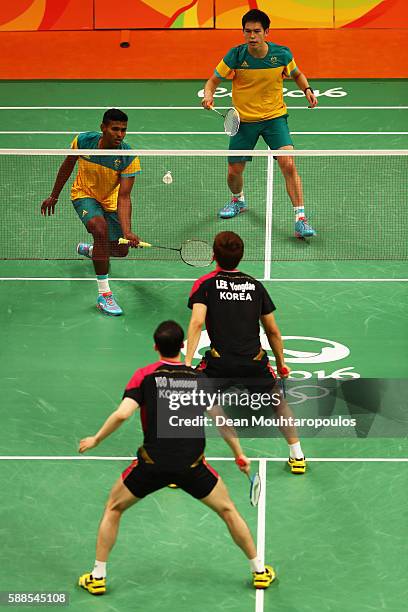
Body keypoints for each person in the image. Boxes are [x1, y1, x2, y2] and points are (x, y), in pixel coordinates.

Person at [77, 320, 276, 596]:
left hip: (151, 465)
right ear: (182, 347)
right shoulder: (200, 379)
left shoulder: (144, 376)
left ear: (156, 347)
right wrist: (239, 455)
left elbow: (123, 414)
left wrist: (96, 439)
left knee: (113, 508)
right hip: (192, 466)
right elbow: (222, 421)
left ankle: (98, 576)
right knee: (228, 511)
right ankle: (259, 571)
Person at [185, 231, 306, 474]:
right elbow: (272, 330)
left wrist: (187, 364)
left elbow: (197, 323)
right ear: (240, 257)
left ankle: (186, 463)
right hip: (254, 361)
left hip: (220, 363)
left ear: (213, 256)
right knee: (277, 402)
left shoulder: (205, 285)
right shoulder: (255, 285)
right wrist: (281, 364)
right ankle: (298, 455)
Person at [201, 8, 318, 238]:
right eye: (247, 32)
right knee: (234, 172)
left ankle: (300, 218)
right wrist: (208, 95)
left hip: (274, 118)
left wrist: (307, 89)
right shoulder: (235, 55)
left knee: (288, 164)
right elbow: (213, 80)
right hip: (244, 121)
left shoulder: (282, 54)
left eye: (256, 31)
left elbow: (297, 74)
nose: (252, 36)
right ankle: (238, 200)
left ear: (266, 32)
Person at [41, 108, 141, 316]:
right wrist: (54, 195)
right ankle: (104, 295)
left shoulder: (128, 156)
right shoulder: (83, 142)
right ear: (103, 128)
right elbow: (66, 166)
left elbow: (124, 197)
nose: (120, 135)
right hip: (84, 194)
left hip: (110, 200)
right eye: (115, 129)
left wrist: (128, 231)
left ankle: (94, 250)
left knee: (121, 251)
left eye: (124, 130)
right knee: (100, 228)